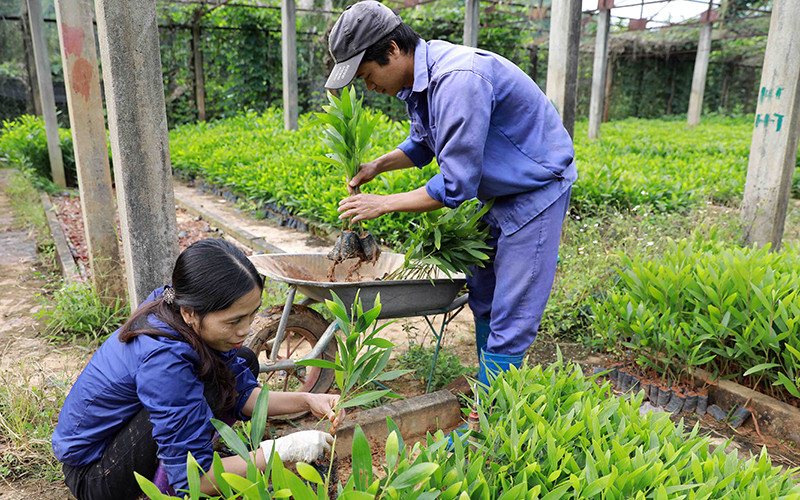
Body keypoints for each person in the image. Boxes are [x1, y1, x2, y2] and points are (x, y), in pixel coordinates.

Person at [325, 1, 577, 389]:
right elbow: (423, 144)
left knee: (513, 310)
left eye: (368, 75)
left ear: (392, 49)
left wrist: (383, 204)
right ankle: (491, 392)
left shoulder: (459, 79)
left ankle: (492, 424)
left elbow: (457, 185)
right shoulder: (420, 80)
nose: (370, 86)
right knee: (485, 294)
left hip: (534, 191)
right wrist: (378, 165)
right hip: (496, 192)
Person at [52, 239, 344, 499]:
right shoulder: (165, 361)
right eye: (233, 321)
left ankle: (194, 450)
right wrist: (279, 451)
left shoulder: (175, 305)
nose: (246, 329)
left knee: (240, 361)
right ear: (191, 313)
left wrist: (308, 401)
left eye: (251, 315)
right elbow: (197, 479)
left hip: (122, 438)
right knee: (207, 384)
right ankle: (164, 484)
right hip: (96, 473)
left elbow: (243, 394)